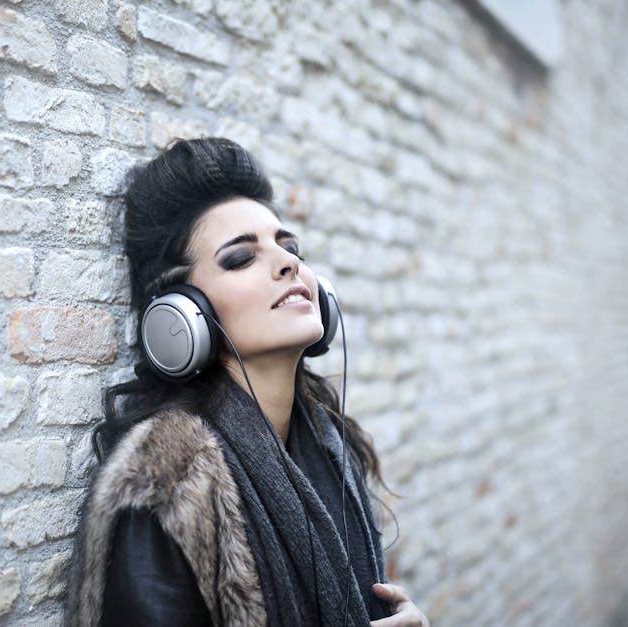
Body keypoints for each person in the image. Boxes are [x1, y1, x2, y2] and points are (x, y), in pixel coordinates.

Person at [66, 137, 429, 627]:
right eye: (241, 258)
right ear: (183, 319)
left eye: (289, 246)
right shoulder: (167, 484)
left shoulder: (329, 445)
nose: (289, 264)